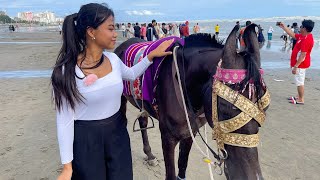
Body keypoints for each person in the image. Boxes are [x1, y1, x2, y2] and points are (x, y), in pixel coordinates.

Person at [51, 3, 174, 180]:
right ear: (91, 32)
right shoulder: (66, 71)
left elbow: (131, 74)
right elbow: (64, 121)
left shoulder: (113, 59)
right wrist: (67, 167)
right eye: (110, 28)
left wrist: (151, 56)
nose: (115, 33)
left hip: (117, 133)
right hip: (86, 140)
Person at [277, 19, 315, 104]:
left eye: (301, 26)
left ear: (304, 28)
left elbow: (303, 55)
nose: (300, 28)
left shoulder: (307, 39)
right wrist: (283, 27)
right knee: (299, 81)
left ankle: (301, 99)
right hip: (299, 64)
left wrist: (296, 66)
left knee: (299, 82)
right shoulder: (303, 36)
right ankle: (298, 96)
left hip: (301, 65)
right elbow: (293, 34)